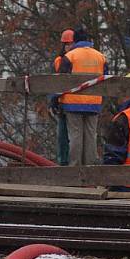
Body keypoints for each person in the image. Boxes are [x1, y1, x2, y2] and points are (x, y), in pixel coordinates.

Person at [55, 28, 108, 166]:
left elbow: (60, 81)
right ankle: (90, 168)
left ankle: (74, 169)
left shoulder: (70, 56)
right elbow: (106, 81)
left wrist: (55, 100)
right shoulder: (101, 57)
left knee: (75, 137)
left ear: (75, 40)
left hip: (72, 103)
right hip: (94, 103)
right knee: (91, 137)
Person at [50, 29, 74, 165]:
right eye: (65, 44)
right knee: (62, 139)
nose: (67, 47)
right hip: (62, 104)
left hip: (74, 103)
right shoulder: (58, 61)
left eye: (69, 44)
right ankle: (63, 164)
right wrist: (52, 101)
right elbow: (53, 82)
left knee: (75, 140)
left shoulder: (76, 59)